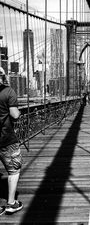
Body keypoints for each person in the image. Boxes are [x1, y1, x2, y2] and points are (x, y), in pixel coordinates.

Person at [0, 67, 22, 215]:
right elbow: (14, 115)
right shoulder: (8, 92)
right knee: (13, 170)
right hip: (6, 139)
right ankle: (11, 203)